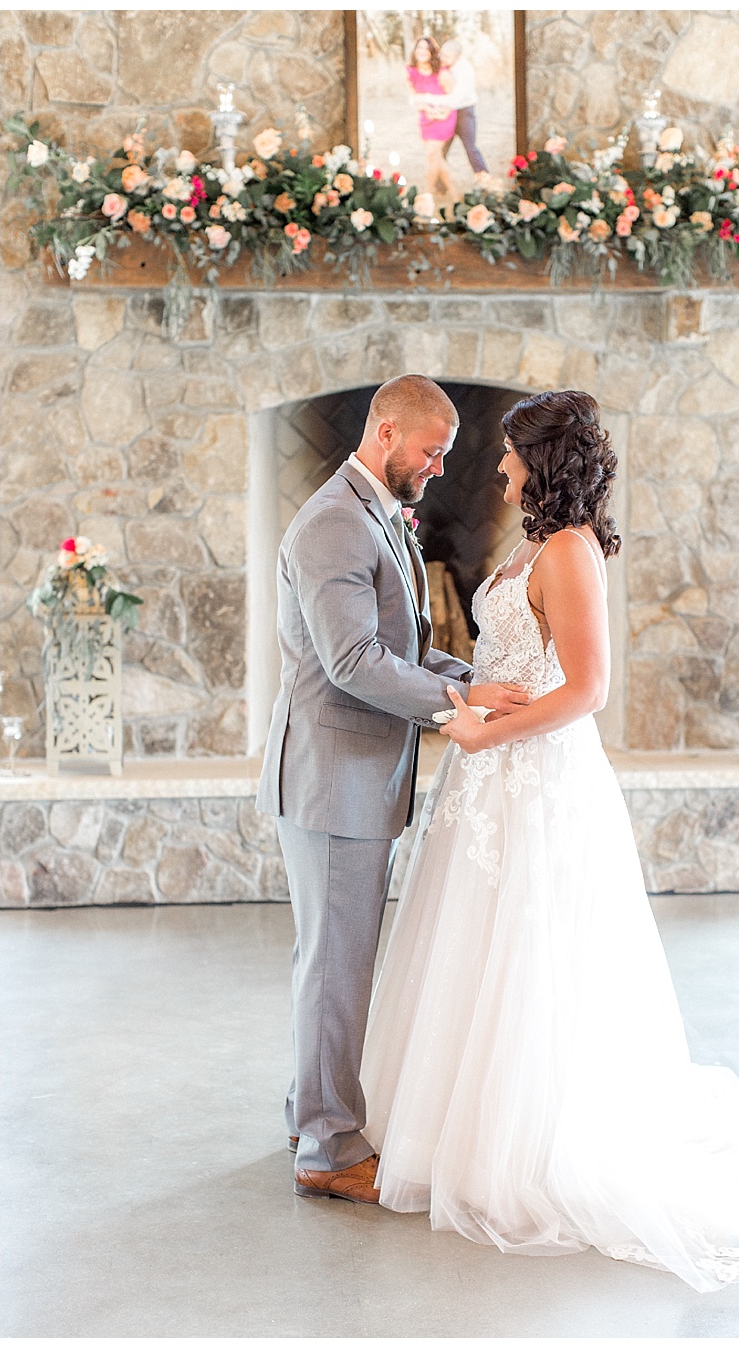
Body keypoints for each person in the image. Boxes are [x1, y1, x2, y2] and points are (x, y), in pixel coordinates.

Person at [356, 390, 739, 1290]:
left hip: (533, 777)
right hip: (490, 781)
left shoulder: (568, 551)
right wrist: (469, 699)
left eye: (511, 454)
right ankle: (452, 1126)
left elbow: (587, 690)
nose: (499, 467)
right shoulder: (533, 543)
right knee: (476, 947)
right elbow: (512, 661)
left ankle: (524, 1146)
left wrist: (482, 734)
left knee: (532, 954)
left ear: (541, 463)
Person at [258, 374, 529, 1202]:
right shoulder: (336, 523)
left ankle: (311, 1114)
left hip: (351, 778)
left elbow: (400, 647)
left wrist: (476, 681)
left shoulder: (375, 513)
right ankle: (329, 1150)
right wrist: (456, 707)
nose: (441, 467)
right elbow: (354, 662)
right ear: (385, 432)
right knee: (335, 966)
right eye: (431, 451)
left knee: (332, 960)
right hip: (332, 781)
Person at [405, 35, 457, 203]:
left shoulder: (442, 73)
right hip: (426, 118)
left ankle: (427, 195)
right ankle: (456, 194)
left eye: (426, 49)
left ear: (432, 52)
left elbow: (454, 98)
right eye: (419, 47)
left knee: (432, 154)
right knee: (437, 159)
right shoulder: (411, 72)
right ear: (415, 51)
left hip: (444, 118)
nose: (422, 51)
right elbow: (414, 98)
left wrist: (442, 113)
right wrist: (427, 109)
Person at [435, 37, 489, 178]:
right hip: (448, 111)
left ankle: (484, 178)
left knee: (470, 148)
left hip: (464, 112)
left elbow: (456, 98)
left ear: (457, 57)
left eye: (447, 56)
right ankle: (439, 180)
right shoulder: (442, 66)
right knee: (441, 148)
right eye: (442, 54)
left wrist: (436, 104)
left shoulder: (466, 70)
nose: (442, 58)